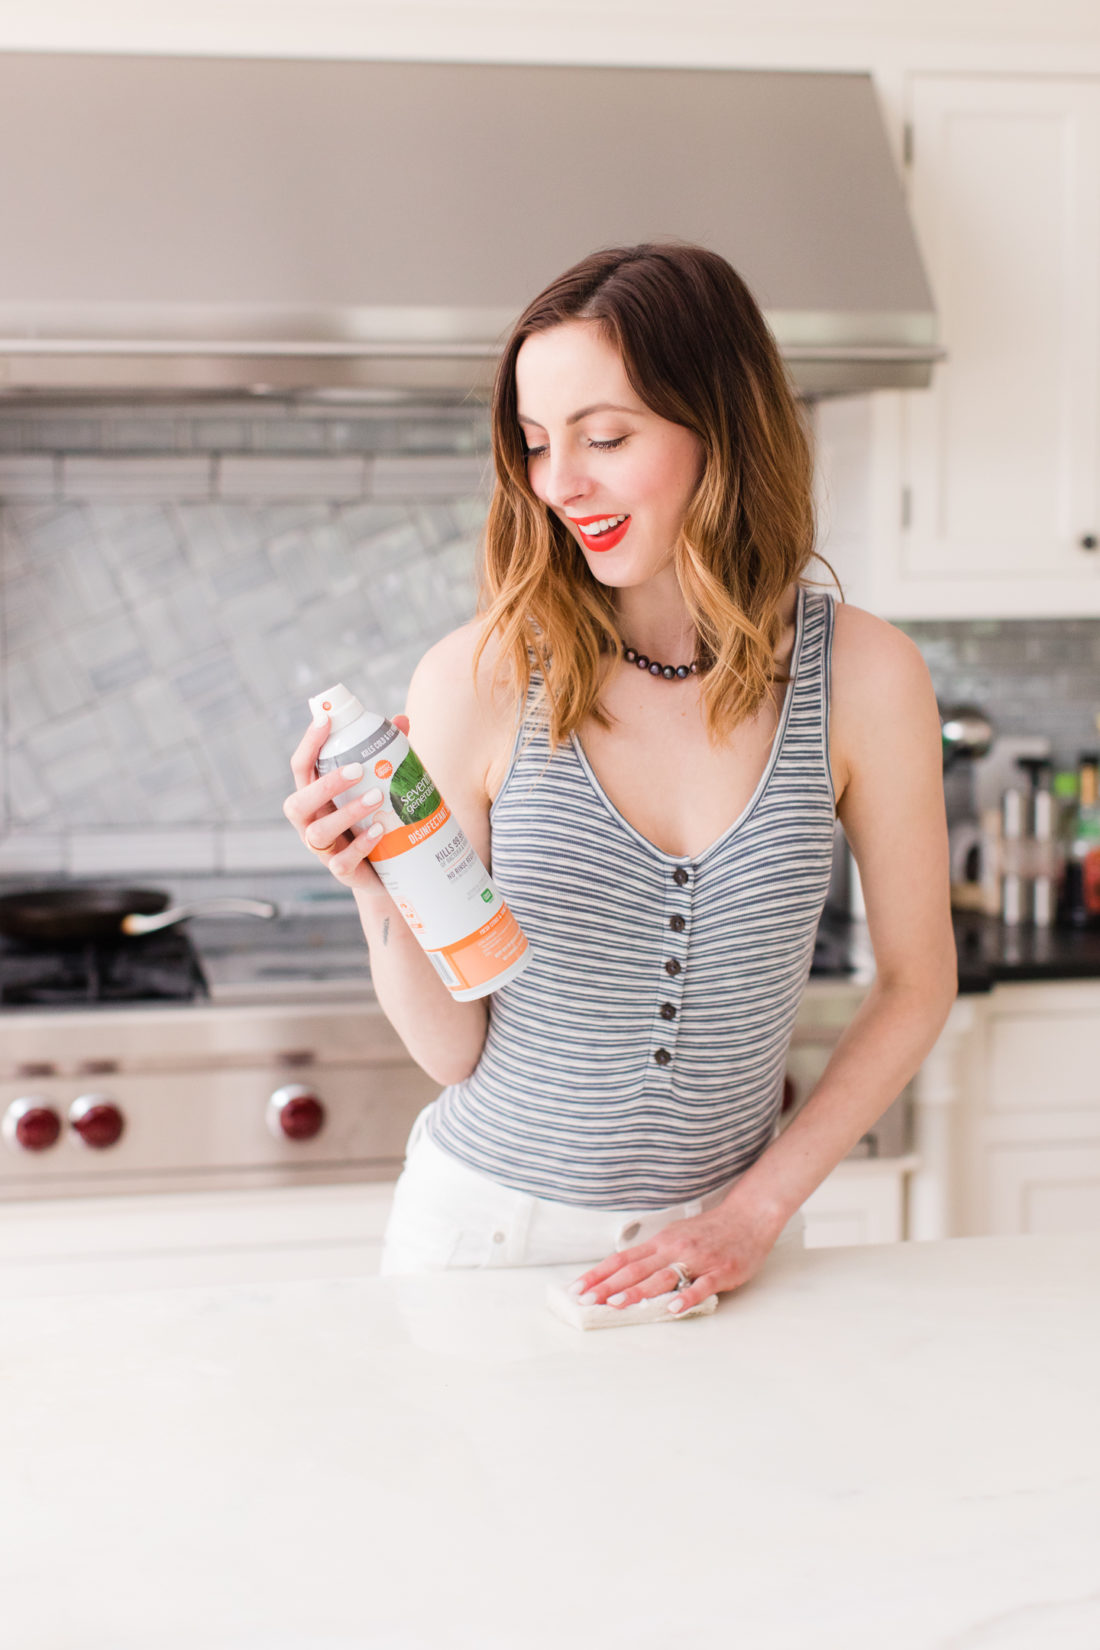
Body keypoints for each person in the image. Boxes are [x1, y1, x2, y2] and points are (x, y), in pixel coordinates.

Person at [284, 242, 957, 1316]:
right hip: (481, 1245)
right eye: (538, 444)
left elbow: (917, 983)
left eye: (605, 438)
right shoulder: (482, 675)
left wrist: (750, 1214)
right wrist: (377, 889)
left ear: (720, 429)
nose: (559, 485)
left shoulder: (867, 678)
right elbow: (453, 1051)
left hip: (721, 1252)